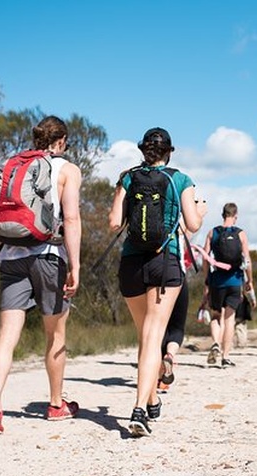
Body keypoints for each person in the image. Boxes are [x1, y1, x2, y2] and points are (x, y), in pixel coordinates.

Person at [0, 116, 82, 436]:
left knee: (7, 335)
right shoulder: (67, 170)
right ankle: (56, 404)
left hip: (11, 257)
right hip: (49, 257)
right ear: (62, 141)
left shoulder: (13, 164)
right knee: (55, 334)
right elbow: (72, 218)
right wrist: (75, 266)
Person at [108, 127, 206, 437]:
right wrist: (201, 213)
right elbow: (191, 224)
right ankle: (139, 409)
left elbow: (113, 223)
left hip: (132, 264)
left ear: (143, 150)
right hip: (165, 263)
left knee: (145, 336)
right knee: (153, 337)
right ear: (169, 152)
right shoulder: (180, 179)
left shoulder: (128, 177)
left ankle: (151, 399)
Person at [200, 203, 253, 368]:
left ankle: (216, 342)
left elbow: (205, 258)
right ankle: (225, 356)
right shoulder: (241, 234)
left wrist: (207, 278)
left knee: (216, 316)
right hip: (235, 280)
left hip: (217, 281)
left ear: (223, 214)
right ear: (235, 215)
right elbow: (248, 260)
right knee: (230, 319)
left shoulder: (213, 232)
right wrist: (249, 281)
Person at [157, 220, 196, 392]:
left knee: (157, 327)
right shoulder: (177, 220)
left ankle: (159, 377)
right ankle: (170, 355)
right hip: (176, 275)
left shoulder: (153, 222)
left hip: (151, 275)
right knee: (177, 326)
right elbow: (191, 229)